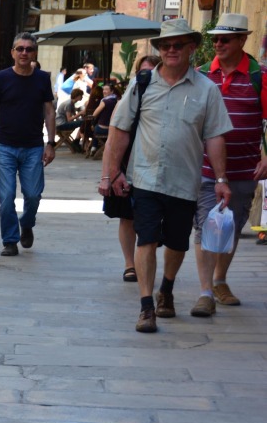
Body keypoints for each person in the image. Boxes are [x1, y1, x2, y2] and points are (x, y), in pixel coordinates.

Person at [99, 18, 232, 333]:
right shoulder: (143, 83)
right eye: (165, 45)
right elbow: (119, 129)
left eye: (178, 45)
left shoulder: (207, 90)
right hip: (144, 178)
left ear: (191, 48)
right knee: (146, 238)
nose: (171, 50)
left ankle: (167, 288)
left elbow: (214, 137)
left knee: (177, 243)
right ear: (159, 49)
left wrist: (222, 179)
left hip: (185, 181)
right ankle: (147, 307)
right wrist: (113, 172)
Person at [189, 13, 267, 317]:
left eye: (225, 39)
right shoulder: (201, 75)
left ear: (242, 40)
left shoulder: (259, 77)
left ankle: (220, 279)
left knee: (231, 227)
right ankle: (206, 291)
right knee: (205, 226)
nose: (218, 44)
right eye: (215, 39)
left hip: (245, 168)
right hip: (206, 169)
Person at [0, 32, 56, 256]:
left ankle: (27, 224)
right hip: (5, 146)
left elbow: (49, 111)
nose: (24, 53)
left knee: (33, 195)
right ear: (12, 52)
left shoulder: (42, 78)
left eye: (29, 49)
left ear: (35, 52)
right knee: (6, 197)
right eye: (20, 49)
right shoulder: (2, 78)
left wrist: (50, 143)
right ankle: (10, 240)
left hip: (33, 147)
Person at [99, 55, 159, 284]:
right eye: (143, 73)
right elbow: (111, 143)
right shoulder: (127, 101)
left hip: (154, 166)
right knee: (127, 216)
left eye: (152, 73)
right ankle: (130, 264)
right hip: (125, 167)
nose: (147, 78)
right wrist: (108, 175)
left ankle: (145, 260)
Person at [88, 81, 120, 155]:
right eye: (103, 89)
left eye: (106, 90)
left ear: (111, 91)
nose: (104, 91)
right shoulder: (118, 101)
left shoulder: (105, 101)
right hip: (114, 129)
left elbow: (94, 114)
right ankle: (97, 147)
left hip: (103, 129)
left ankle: (94, 146)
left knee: (95, 128)